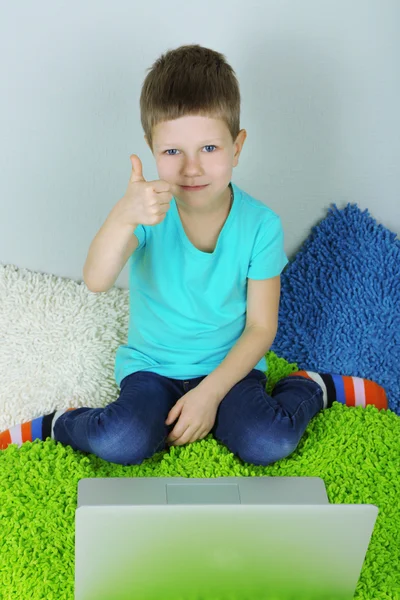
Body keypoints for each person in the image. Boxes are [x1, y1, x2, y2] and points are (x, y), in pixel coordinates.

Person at [0, 44, 387, 463]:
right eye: (172, 152)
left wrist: (210, 393)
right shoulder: (148, 213)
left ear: (236, 147)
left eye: (209, 149)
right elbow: (96, 280)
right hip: (153, 369)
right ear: (152, 149)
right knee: (121, 441)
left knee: (268, 441)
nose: (191, 168)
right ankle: (63, 422)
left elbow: (260, 327)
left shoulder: (260, 225)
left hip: (230, 372)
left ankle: (309, 387)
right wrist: (123, 215)